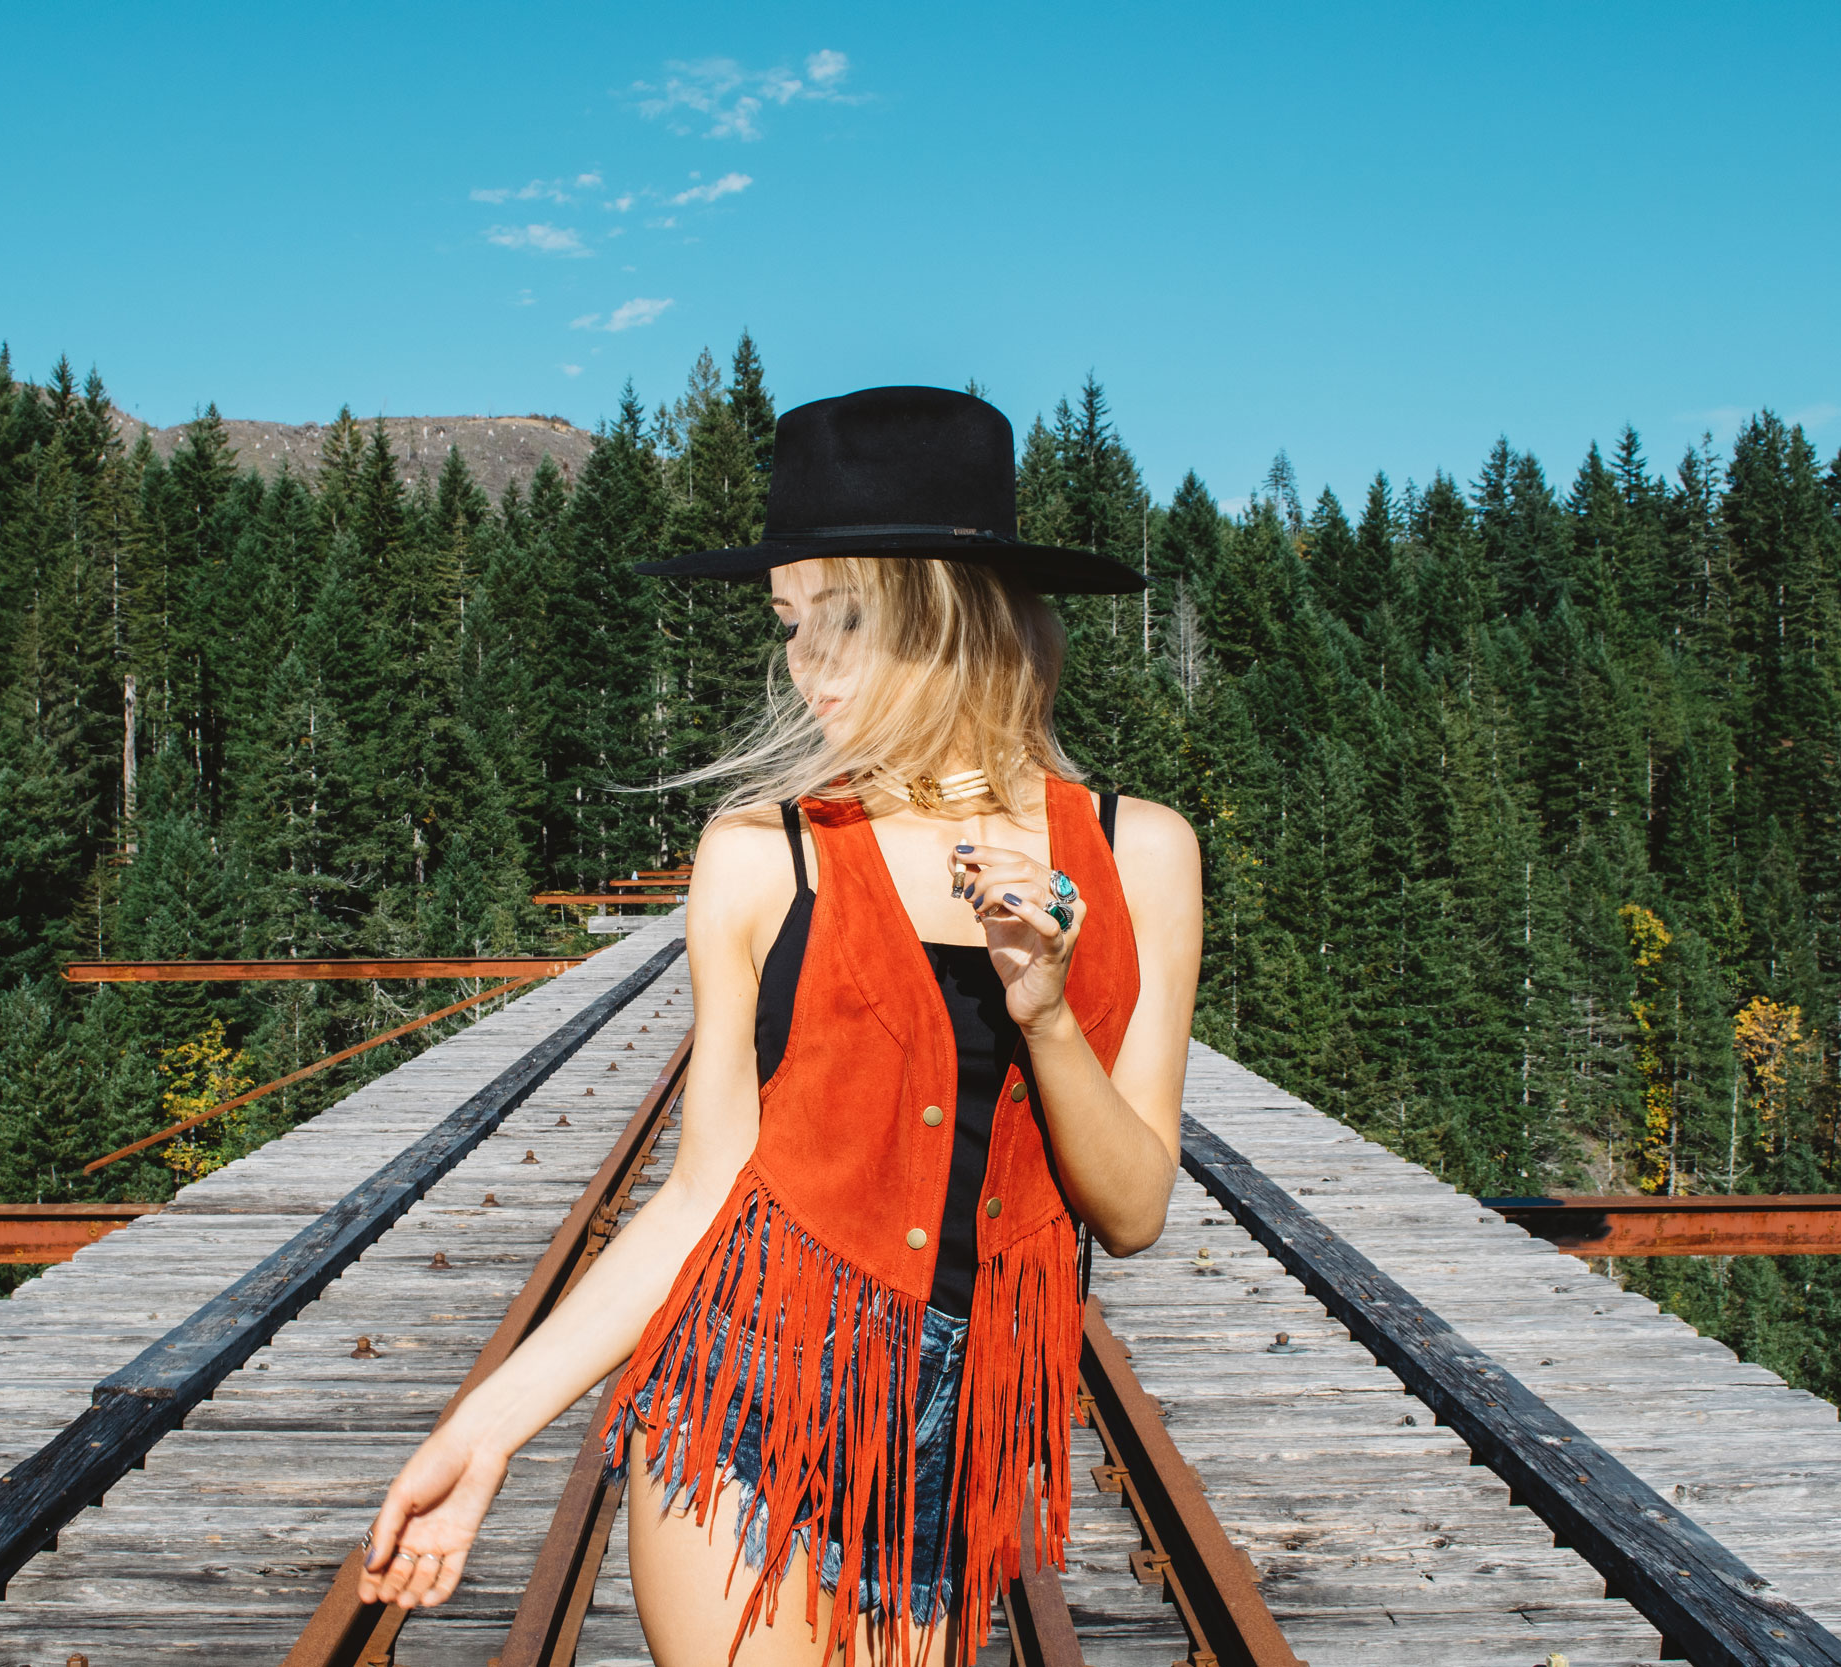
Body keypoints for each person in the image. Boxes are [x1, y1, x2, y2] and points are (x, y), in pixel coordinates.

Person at [353, 386, 1204, 1666]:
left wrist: (1046, 1013)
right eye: (789, 624)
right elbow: (703, 1190)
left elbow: (1132, 1209)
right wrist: (485, 1426)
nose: (807, 667)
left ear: (950, 614)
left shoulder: (1139, 853)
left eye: (843, 619)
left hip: (961, 1447)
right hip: (747, 1403)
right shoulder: (760, 858)